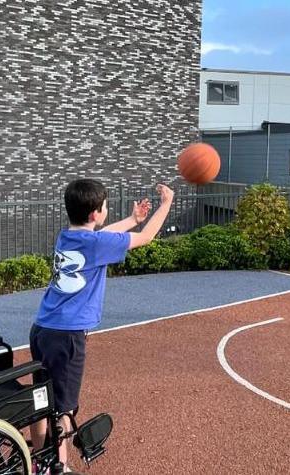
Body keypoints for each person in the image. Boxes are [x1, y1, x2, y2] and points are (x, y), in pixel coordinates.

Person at [29, 179, 175, 473]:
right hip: (68, 336)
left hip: (42, 329)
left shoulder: (67, 237)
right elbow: (145, 238)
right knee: (64, 407)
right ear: (96, 213)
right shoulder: (96, 244)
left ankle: (38, 461)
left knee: (41, 397)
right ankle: (59, 466)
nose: (107, 210)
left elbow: (104, 235)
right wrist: (166, 204)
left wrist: (132, 219)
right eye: (105, 206)